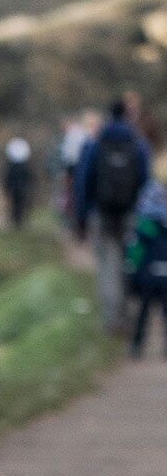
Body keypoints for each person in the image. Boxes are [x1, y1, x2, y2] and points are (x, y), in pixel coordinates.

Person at [75, 100, 152, 334]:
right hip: (130, 214)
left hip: (102, 214)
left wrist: (81, 217)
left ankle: (112, 320)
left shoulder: (96, 143)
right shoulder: (138, 144)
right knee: (129, 263)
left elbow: (84, 182)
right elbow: (146, 182)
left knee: (107, 266)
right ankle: (127, 316)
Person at [124, 161, 167, 357]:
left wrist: (131, 269)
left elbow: (135, 250)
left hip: (147, 275)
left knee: (143, 311)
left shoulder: (145, 222)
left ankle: (137, 345)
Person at [2, 136, 33, 229]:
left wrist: (7, 187)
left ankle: (17, 220)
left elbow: (8, 178)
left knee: (18, 203)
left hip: (16, 187)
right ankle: (17, 220)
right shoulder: (24, 166)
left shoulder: (12, 166)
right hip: (20, 187)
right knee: (18, 203)